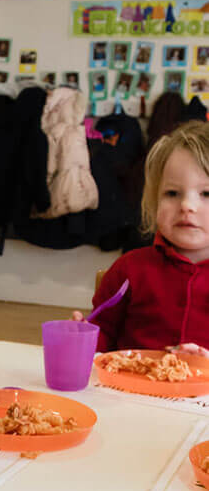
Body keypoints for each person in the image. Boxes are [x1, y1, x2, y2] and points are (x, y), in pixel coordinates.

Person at [72, 121, 209, 353]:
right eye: (172, 193)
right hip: (126, 388)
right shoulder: (129, 269)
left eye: (206, 193)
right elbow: (104, 334)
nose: (187, 205)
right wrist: (83, 337)